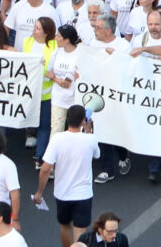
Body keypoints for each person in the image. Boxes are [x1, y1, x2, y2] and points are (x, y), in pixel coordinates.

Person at [37, 103, 100, 247]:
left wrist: (39, 192)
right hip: (83, 194)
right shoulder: (90, 139)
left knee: (65, 225)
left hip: (62, 193)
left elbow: (45, 168)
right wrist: (89, 131)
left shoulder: (57, 139)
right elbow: (97, 154)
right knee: (81, 231)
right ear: (83, 121)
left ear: (67, 118)